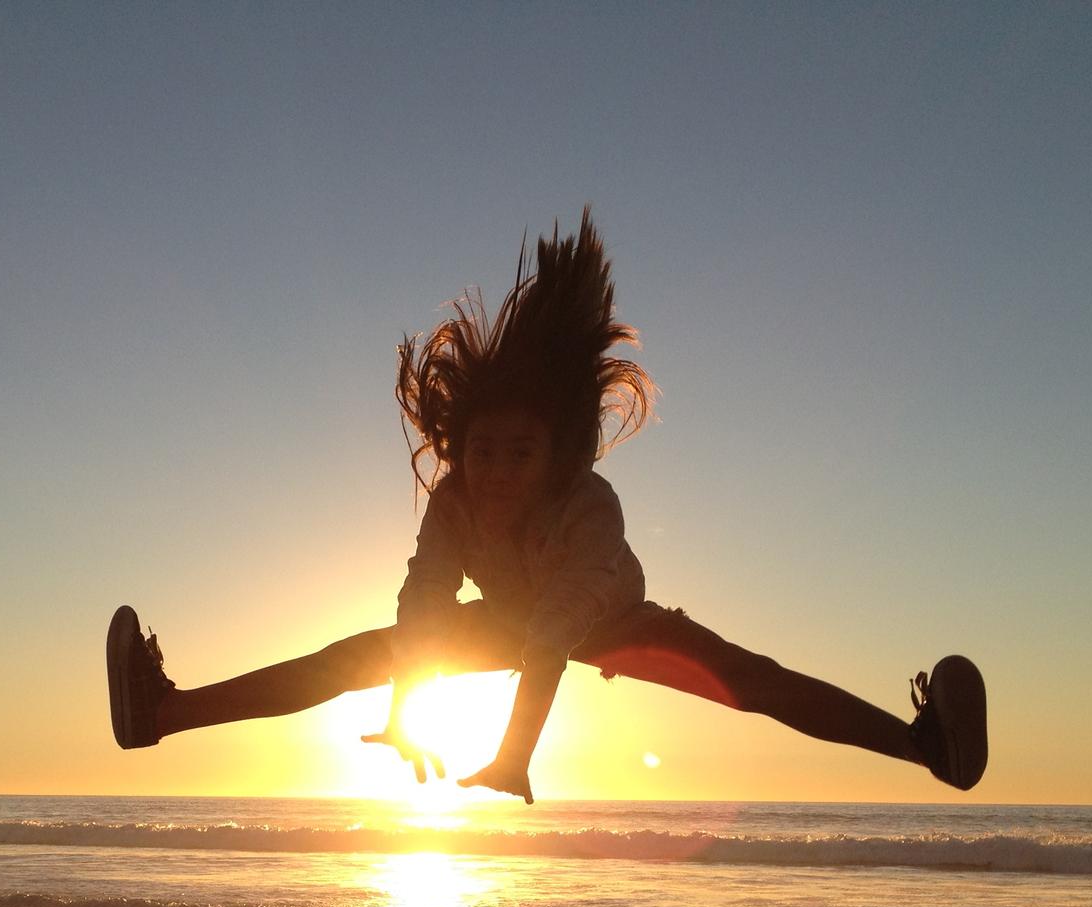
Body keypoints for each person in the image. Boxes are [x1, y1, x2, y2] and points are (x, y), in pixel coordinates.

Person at [107, 210, 986, 804]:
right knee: (347, 659)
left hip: (611, 618)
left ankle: (929, 748)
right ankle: (162, 714)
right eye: (481, 450)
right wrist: (405, 704)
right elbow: (424, 599)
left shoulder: (589, 510)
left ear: (555, 455)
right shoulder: (455, 500)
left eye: (518, 454)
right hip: (509, 618)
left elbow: (557, 632)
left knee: (751, 682)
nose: (494, 471)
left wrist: (514, 754)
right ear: (460, 446)